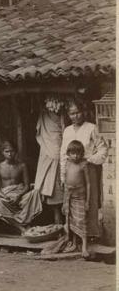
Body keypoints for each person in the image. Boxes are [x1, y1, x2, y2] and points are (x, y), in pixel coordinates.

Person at [60, 101, 107, 240]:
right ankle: (74, 236)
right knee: (71, 202)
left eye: (78, 112)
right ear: (69, 115)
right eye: (72, 113)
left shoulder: (91, 128)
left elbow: (103, 149)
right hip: (71, 171)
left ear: (83, 112)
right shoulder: (67, 130)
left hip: (87, 169)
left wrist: (90, 159)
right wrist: (63, 175)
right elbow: (63, 153)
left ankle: (90, 235)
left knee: (89, 201)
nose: (76, 116)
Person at [0, 141, 42, 233]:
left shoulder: (22, 166)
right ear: (2, 152)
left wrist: (18, 195)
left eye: (12, 151)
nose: (10, 154)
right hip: (6, 195)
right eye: (7, 151)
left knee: (35, 193)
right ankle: (21, 227)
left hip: (20, 194)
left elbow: (27, 186)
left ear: (16, 152)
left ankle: (26, 223)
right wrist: (5, 197)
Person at [34, 108, 64, 222]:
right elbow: (40, 134)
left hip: (60, 157)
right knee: (54, 195)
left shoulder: (63, 117)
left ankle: (63, 226)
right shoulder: (44, 114)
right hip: (49, 156)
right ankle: (58, 224)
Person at [62, 140, 91, 257]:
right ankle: (73, 243)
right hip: (69, 195)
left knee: (81, 220)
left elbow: (88, 183)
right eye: (73, 153)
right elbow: (64, 181)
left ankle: (84, 246)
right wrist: (64, 200)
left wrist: (88, 201)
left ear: (82, 154)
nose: (75, 156)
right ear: (68, 153)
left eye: (78, 153)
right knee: (71, 220)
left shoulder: (83, 164)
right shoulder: (67, 163)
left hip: (80, 196)